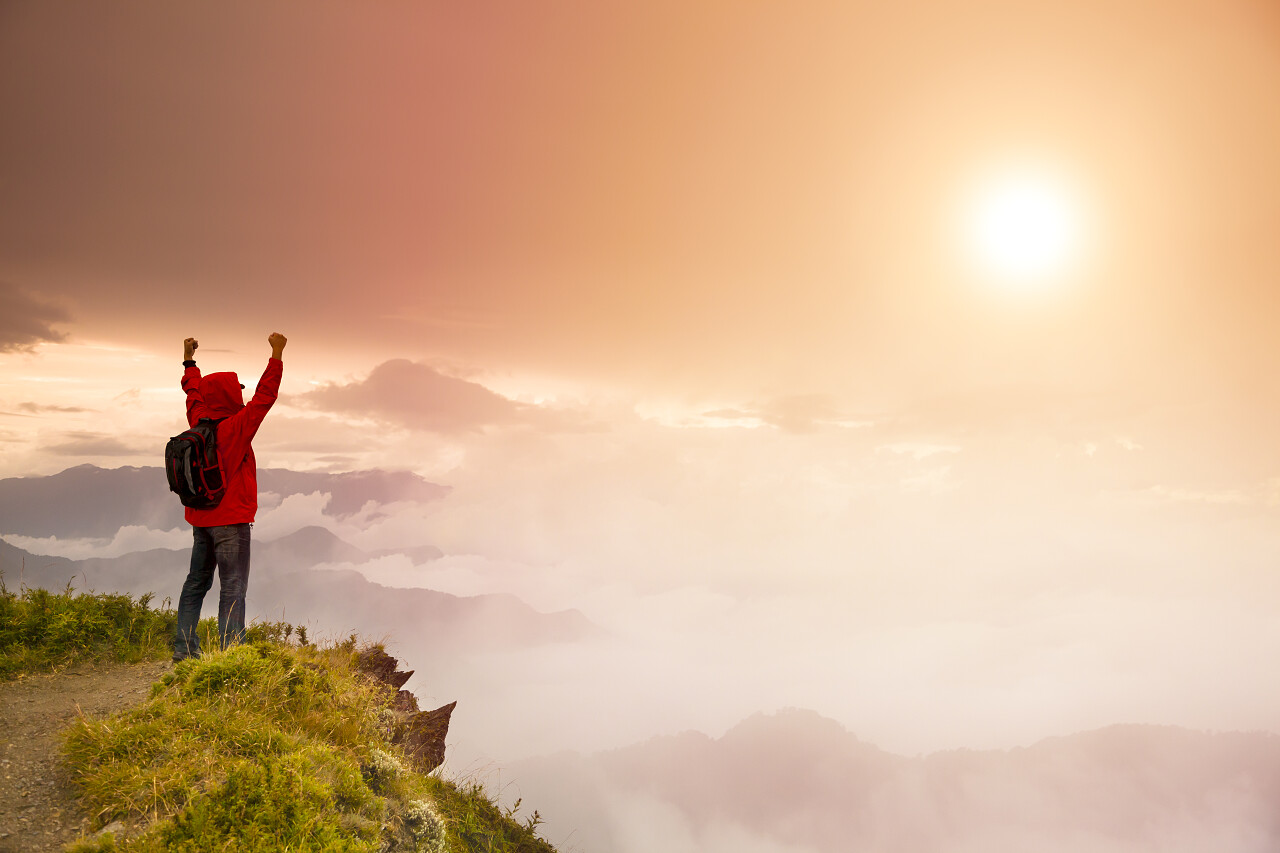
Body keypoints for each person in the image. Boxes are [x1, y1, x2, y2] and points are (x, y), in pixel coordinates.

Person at [172, 332, 286, 661]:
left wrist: (189, 361)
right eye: (238, 389)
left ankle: (184, 649)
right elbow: (265, 396)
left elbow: (192, 393)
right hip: (231, 522)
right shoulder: (237, 427)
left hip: (200, 519)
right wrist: (276, 355)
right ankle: (231, 656)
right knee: (233, 586)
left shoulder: (197, 423)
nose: (242, 394)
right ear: (228, 394)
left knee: (196, 582)